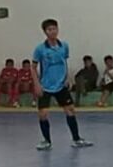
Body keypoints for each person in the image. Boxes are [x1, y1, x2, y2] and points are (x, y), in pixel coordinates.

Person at [32, 19, 92, 151]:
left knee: (70, 110)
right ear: (45, 32)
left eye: (54, 29)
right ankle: (46, 141)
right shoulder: (40, 49)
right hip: (45, 86)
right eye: (49, 30)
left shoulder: (64, 46)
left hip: (60, 85)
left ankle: (76, 139)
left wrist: (67, 78)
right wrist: (36, 84)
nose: (52, 32)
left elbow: (64, 62)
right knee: (43, 113)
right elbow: (33, 67)